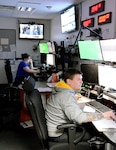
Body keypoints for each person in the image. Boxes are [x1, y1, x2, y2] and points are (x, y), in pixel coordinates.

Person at [45, 68, 116, 142]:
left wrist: (74, 97)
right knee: (96, 133)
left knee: (88, 126)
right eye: (78, 79)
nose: (81, 82)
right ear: (69, 81)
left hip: (55, 128)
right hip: (58, 134)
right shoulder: (66, 96)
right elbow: (79, 118)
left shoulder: (61, 89)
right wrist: (103, 115)